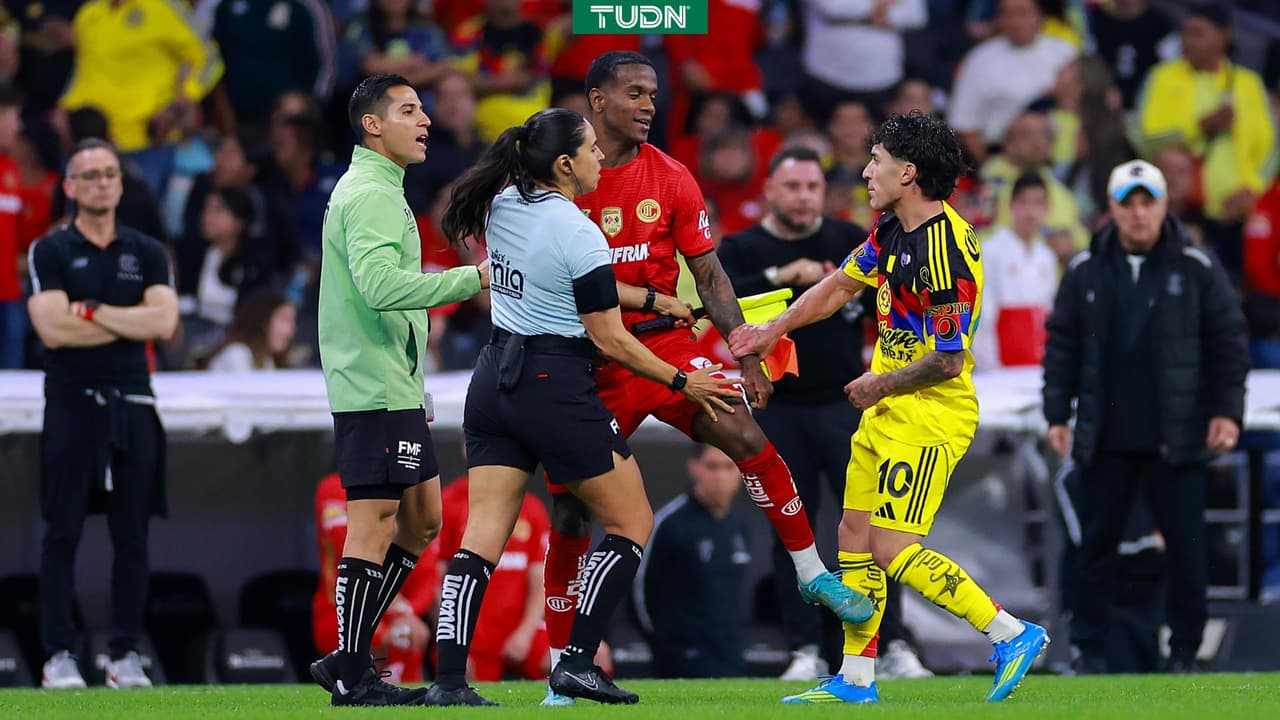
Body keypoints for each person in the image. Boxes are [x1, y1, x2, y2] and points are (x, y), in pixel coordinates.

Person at [541, 51, 873, 705]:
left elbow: (713, 276)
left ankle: (811, 573)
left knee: (744, 433)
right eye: (633, 92)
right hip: (591, 360)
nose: (647, 104)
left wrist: (745, 355)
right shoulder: (560, 182)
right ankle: (563, 663)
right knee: (574, 508)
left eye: (654, 93)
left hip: (666, 349)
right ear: (596, 100)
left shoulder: (672, 177)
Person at [421, 107, 739, 707]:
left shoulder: (506, 202)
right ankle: (575, 663)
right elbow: (611, 339)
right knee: (631, 522)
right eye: (592, 149)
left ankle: (446, 683)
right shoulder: (578, 230)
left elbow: (565, 281)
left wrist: (651, 296)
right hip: (554, 384)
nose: (602, 157)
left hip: (493, 380)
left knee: (481, 537)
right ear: (565, 165)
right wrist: (681, 381)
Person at [730, 112, 1049, 704]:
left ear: (908, 172)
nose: (865, 169)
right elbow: (839, 287)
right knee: (851, 533)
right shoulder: (889, 230)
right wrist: (773, 328)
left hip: (930, 410)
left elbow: (949, 360)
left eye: (875, 160)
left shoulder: (945, 252)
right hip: (888, 407)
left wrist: (882, 383)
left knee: (892, 548)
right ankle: (855, 678)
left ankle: (1011, 632)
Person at [307, 73, 489, 707]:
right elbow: (381, 288)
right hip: (373, 385)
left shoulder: (379, 188)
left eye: (424, 110)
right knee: (377, 522)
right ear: (372, 124)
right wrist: (472, 278)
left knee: (423, 518)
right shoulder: (371, 194)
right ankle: (352, 675)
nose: (426, 121)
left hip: (395, 382)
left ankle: (346, 658)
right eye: (409, 110)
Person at [719, 145, 931, 681]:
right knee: (792, 531)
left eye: (813, 187)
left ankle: (893, 642)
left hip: (846, 402)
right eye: (793, 187)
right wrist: (780, 273)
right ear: (769, 189)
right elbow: (721, 307)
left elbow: (885, 293)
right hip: (779, 406)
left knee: (876, 524)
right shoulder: (741, 249)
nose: (804, 196)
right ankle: (805, 649)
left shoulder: (845, 239)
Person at [1042, 159, 1249, 674]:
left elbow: (1229, 345)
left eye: (1147, 202)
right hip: (1106, 435)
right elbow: (1061, 346)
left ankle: (1184, 653)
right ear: (1111, 208)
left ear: (1163, 205)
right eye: (1128, 203)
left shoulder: (1197, 267)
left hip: (1175, 436)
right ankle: (1088, 652)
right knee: (1095, 550)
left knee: (1186, 552)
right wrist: (1056, 413)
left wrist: (1227, 411)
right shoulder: (1085, 270)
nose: (1138, 214)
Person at [26, 138, 180, 689]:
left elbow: (163, 324)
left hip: (133, 403)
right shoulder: (51, 251)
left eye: (108, 174)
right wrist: (127, 317)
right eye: (88, 175)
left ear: (119, 183)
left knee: (132, 536)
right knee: (61, 532)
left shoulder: (148, 250)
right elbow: (51, 328)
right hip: (71, 403)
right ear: (69, 186)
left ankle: (124, 654)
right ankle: (58, 654)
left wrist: (88, 310)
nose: (100, 183)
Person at [634, 444, 751, 678]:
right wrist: (663, 642)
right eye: (712, 467)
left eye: (729, 467)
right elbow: (639, 592)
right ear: (694, 468)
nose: (720, 477)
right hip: (680, 657)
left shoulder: (740, 527)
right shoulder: (668, 524)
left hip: (731, 655)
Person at [312, 472, 435, 685]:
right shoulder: (333, 486)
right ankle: (353, 683)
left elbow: (428, 571)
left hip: (395, 613)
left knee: (409, 634)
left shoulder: (413, 488)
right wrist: (399, 610)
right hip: (340, 610)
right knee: (398, 636)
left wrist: (408, 612)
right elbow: (348, 549)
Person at [429, 473, 551, 683]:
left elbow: (540, 578)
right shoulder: (449, 502)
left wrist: (525, 633)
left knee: (595, 654)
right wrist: (450, 640)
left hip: (518, 627)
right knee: (460, 680)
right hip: (469, 633)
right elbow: (435, 580)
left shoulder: (532, 507)